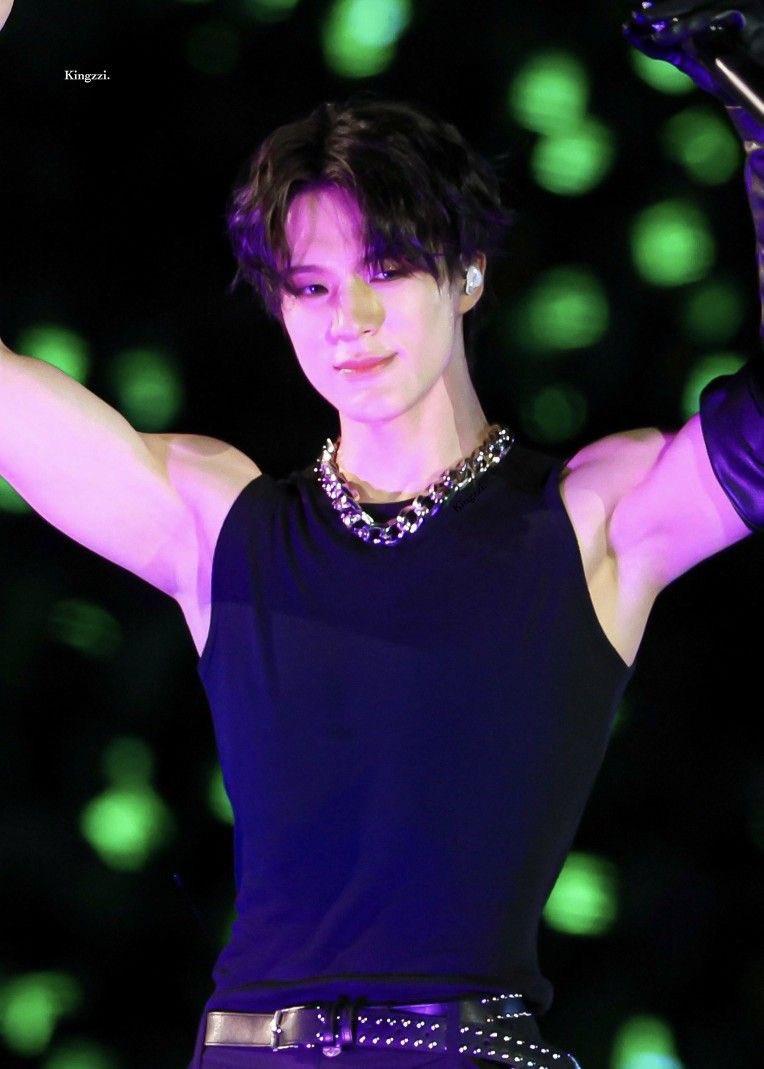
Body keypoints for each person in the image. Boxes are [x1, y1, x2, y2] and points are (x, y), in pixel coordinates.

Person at [0, 5, 761, 1069]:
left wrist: (757, 114)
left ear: (467, 272)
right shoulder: (218, 525)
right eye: (309, 286)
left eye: (387, 268)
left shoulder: (594, 516)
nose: (347, 319)